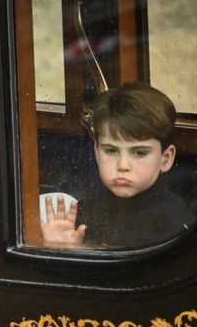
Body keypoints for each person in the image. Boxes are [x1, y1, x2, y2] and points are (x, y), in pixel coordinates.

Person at [41, 83, 196, 247]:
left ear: (165, 159)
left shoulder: (179, 228)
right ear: (96, 151)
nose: (123, 165)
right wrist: (63, 246)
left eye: (140, 153)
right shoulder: (85, 211)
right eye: (111, 151)